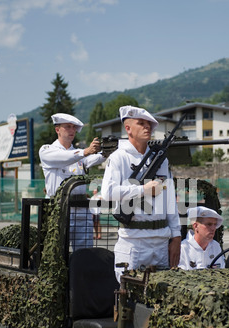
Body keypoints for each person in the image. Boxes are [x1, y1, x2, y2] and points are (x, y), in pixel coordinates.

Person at [101, 105, 181, 281]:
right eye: (141, 123)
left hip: (160, 241)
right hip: (133, 242)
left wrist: (176, 235)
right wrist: (142, 190)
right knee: (128, 299)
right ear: (128, 128)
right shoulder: (119, 157)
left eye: (149, 124)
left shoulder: (160, 159)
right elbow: (108, 192)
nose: (147, 127)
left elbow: (170, 200)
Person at [39, 113, 105, 250]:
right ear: (57, 130)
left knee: (84, 254)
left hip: (80, 209)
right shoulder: (47, 150)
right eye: (68, 127)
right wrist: (86, 151)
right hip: (59, 209)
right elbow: (64, 157)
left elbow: (92, 159)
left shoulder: (78, 154)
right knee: (57, 253)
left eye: (74, 128)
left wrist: (106, 152)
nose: (72, 130)